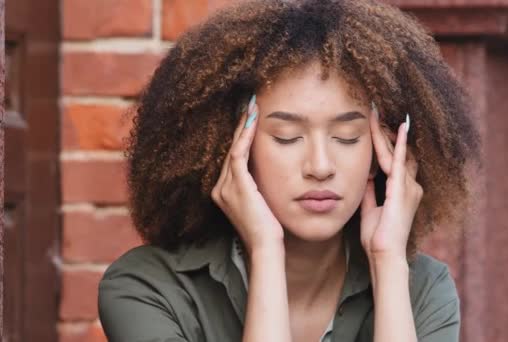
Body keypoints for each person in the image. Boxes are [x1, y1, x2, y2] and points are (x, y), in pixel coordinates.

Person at [97, 0, 481, 341]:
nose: (320, 167)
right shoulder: (147, 288)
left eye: (348, 137)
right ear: (230, 147)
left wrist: (388, 263)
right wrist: (265, 251)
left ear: (382, 154)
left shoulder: (423, 289)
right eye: (286, 137)